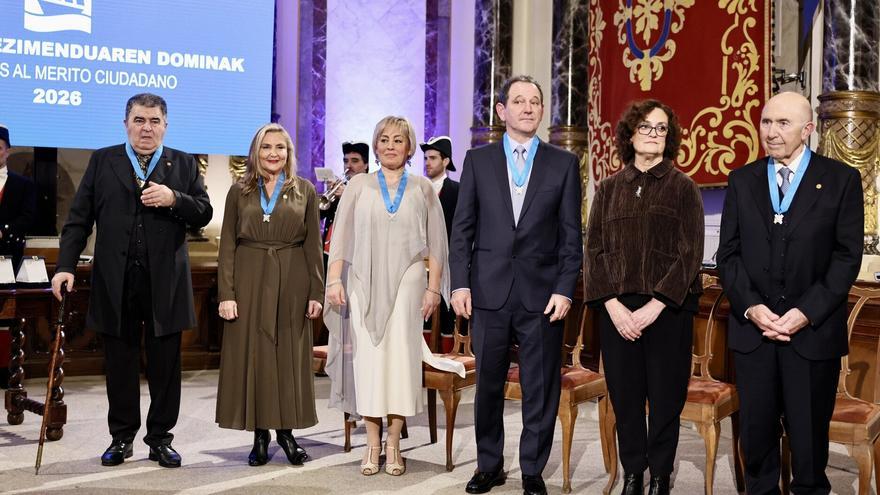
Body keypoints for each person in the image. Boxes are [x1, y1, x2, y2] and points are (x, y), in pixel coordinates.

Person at [51, 93, 212, 468]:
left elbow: (203, 212)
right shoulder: (103, 160)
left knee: (165, 368)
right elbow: (78, 220)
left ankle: (160, 440)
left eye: (155, 121)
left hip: (166, 285)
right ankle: (121, 438)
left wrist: (174, 198)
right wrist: (65, 267)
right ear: (126, 123)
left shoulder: (184, 164)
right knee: (120, 366)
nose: (147, 128)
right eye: (140, 120)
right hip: (114, 281)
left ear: (165, 126)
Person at [718, 91, 863, 494]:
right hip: (755, 335)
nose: (771, 131)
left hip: (811, 335)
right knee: (757, 437)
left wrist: (805, 312)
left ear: (808, 130)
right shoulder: (742, 180)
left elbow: (846, 258)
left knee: (809, 442)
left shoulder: (840, 180)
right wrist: (752, 308)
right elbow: (727, 255)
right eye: (766, 122)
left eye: (783, 123)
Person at [449, 75, 582, 495]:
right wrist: (459, 284)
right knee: (487, 382)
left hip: (542, 295)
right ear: (502, 110)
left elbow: (570, 236)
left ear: (543, 111)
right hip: (488, 291)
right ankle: (489, 465)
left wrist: (564, 288)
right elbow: (462, 229)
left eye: (535, 102)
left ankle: (531, 470)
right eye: (519, 101)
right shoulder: (478, 160)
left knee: (539, 388)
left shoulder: (563, 163)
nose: (527, 108)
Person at [324, 116, 465, 477]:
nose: (390, 145)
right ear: (376, 146)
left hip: (408, 283)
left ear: (409, 147)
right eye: (384, 139)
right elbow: (340, 237)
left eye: (398, 140)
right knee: (369, 363)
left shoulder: (422, 189)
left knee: (401, 363)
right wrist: (335, 281)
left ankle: (394, 441)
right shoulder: (357, 187)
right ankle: (371, 442)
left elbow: (437, 243)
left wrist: (434, 288)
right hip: (362, 282)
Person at [584, 100, 704, 495]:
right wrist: (614, 307)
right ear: (630, 133)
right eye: (647, 127)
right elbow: (595, 251)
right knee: (626, 397)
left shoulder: (684, 188)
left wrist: (655, 306)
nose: (654, 134)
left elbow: (690, 255)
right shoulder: (608, 189)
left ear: (669, 139)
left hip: (666, 312)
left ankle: (659, 476)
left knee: (667, 400)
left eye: (662, 129)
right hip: (618, 311)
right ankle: (633, 473)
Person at [215, 123, 324, 466]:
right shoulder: (239, 191)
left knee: (288, 358)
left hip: (291, 279)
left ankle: (287, 434)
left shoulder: (305, 190)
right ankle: (259, 435)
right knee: (254, 356)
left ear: (289, 153)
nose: (273, 153)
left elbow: (313, 246)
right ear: (255, 152)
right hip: (248, 278)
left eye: (280, 147)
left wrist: (315, 291)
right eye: (266, 147)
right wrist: (226, 294)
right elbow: (228, 246)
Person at [420, 135, 459, 336]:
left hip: (448, 264)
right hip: (419, 263)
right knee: (421, 316)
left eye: (433, 158)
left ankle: (445, 363)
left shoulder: (457, 191)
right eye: (426, 158)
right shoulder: (417, 189)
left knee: (445, 318)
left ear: (445, 161)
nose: (427, 162)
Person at [320, 141, 370, 268]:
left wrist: (347, 196)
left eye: (354, 161)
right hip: (329, 254)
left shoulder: (373, 189)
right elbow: (319, 214)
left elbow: (369, 219)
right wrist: (328, 193)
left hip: (355, 258)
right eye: (346, 161)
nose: (349, 165)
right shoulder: (340, 188)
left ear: (366, 165)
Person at [0, 124, 36, 269]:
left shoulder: (23, 184)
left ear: (7, 152)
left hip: (10, 256)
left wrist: (3, 231)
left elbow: (28, 217)